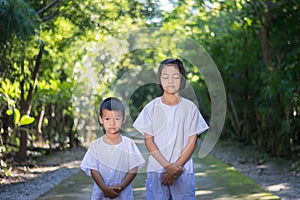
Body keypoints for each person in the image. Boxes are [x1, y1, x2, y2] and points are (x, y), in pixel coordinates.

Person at [133, 58, 209, 199]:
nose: (170, 81)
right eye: (165, 76)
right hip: (157, 169)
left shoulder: (190, 108)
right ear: (159, 80)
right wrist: (167, 166)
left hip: (183, 169)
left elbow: (192, 141)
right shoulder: (151, 108)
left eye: (175, 76)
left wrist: (175, 168)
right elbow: (149, 141)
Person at [81, 97, 145, 200]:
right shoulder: (96, 146)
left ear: (123, 119)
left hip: (123, 196)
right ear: (101, 119)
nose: (112, 123)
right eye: (107, 119)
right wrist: (104, 188)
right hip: (101, 195)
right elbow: (93, 169)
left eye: (117, 118)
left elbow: (134, 168)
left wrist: (121, 187)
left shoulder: (128, 144)